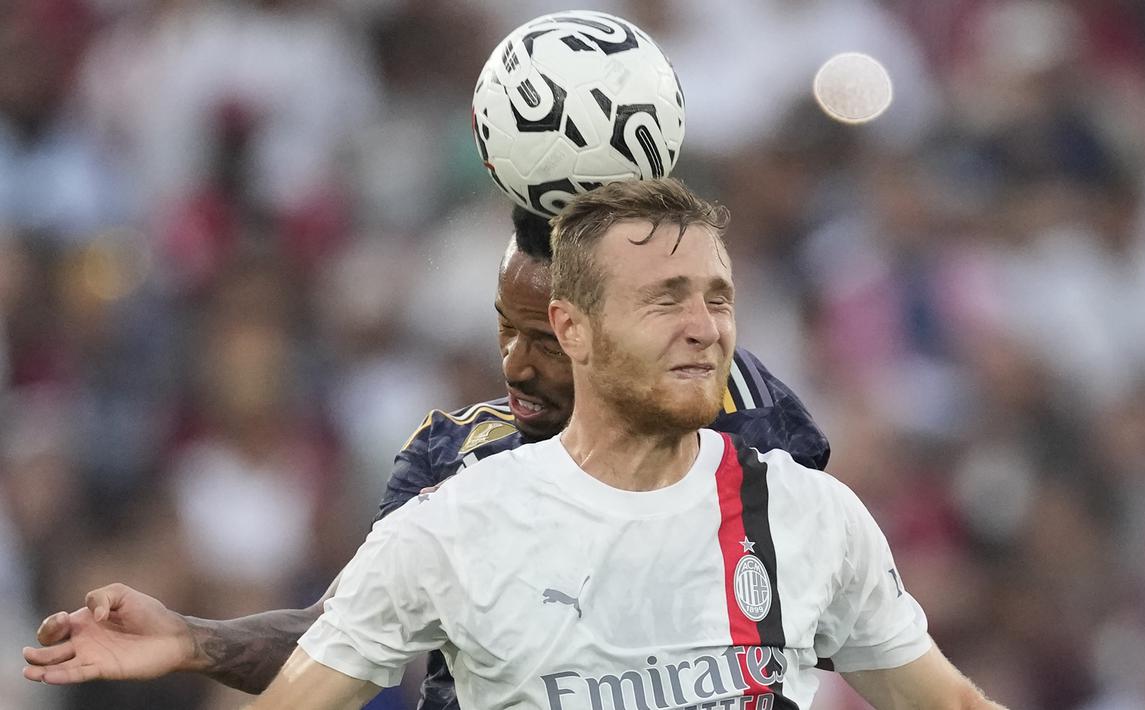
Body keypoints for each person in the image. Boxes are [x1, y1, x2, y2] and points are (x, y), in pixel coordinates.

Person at [22, 205, 832, 709]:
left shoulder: (726, 422)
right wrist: (191, 639)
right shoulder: (453, 460)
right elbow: (336, 637)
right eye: (504, 330)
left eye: (544, 340)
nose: (515, 364)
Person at [245, 178, 1005, 709]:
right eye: (663, 300)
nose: (703, 327)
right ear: (571, 328)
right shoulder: (452, 526)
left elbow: (949, 703)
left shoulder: (807, 512)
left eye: (717, 298)